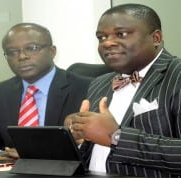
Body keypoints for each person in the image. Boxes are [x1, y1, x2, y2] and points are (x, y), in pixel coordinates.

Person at [64, 3, 181, 177]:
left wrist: (117, 137)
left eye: (122, 34)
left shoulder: (176, 75)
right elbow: (93, 152)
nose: (108, 43)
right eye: (101, 37)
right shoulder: (99, 83)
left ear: (156, 38)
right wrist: (78, 137)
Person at [0, 23, 91, 160]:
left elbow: (94, 144)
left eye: (32, 48)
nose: (22, 57)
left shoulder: (86, 88)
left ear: (52, 51)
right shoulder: (0, 92)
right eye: (12, 52)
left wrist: (38, 154)